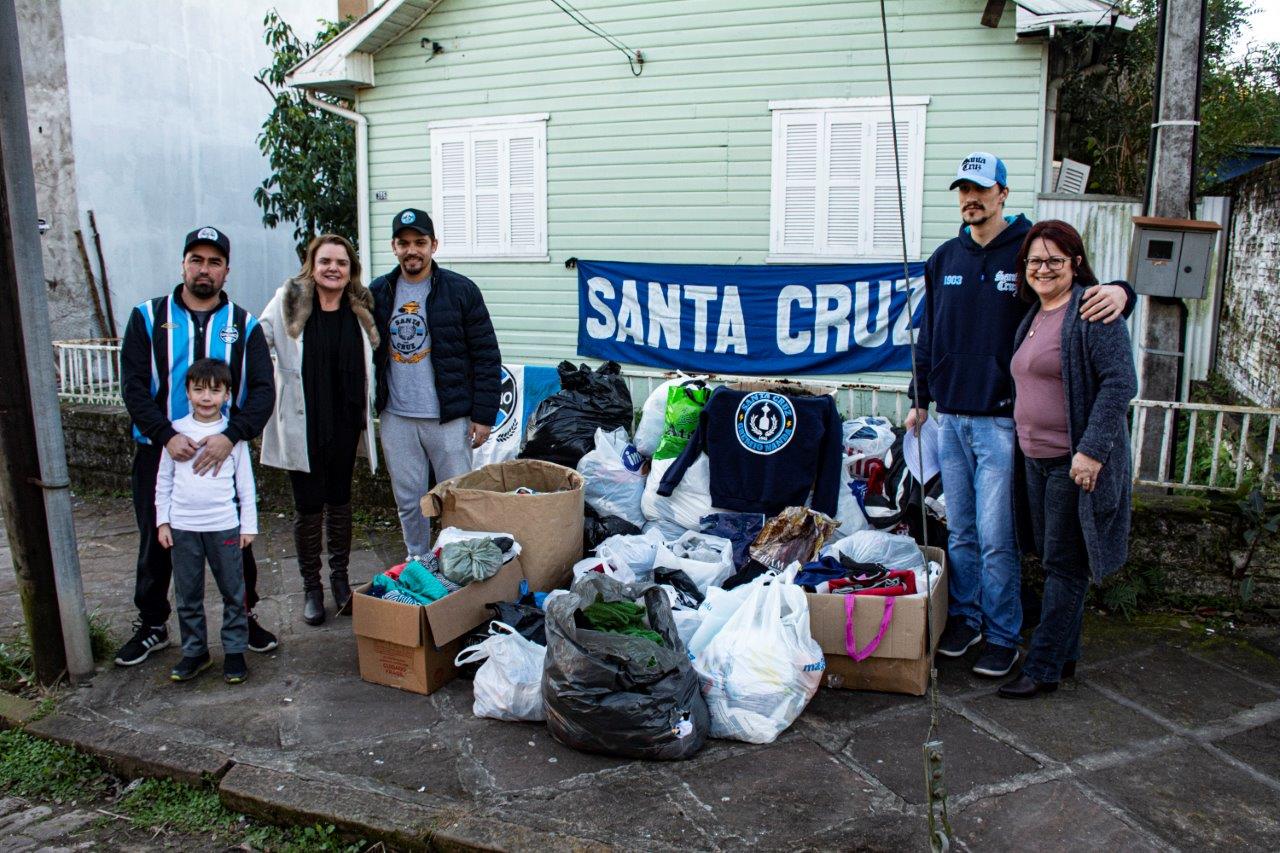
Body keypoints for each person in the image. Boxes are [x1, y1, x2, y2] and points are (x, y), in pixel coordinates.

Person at [906, 153, 1134, 678]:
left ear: (1003, 193)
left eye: (981, 189)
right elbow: (928, 333)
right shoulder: (943, 258)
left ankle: (1004, 632)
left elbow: (1078, 293)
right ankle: (966, 619)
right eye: (963, 189)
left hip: (1004, 424)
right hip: (952, 419)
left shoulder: (1030, 250)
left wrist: (1125, 291)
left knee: (996, 536)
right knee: (959, 531)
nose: (971, 199)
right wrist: (921, 396)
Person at [117, 227, 278, 667]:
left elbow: (263, 390)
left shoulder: (243, 325)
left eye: (214, 261)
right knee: (158, 538)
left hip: (223, 451)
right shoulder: (148, 317)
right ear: (183, 264)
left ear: (227, 270)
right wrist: (166, 436)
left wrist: (232, 435)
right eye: (196, 259)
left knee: (234, 541)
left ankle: (244, 618)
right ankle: (152, 624)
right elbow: (132, 385)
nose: (204, 269)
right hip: (161, 451)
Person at [999, 220, 1137, 698]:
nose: (1043, 269)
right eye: (1034, 261)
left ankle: (1042, 668)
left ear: (1075, 263)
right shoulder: (1034, 313)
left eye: (1054, 260)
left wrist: (1092, 452)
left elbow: (1121, 383)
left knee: (1064, 565)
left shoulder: (1092, 311)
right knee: (1058, 558)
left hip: (1072, 462)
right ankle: (1066, 654)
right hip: (1035, 459)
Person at [259, 235, 380, 626]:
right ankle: (312, 587)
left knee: (341, 501)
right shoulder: (289, 300)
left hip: (345, 421)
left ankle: (340, 581)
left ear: (351, 269)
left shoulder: (359, 306)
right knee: (309, 506)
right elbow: (257, 340)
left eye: (341, 263)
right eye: (325, 261)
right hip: (304, 421)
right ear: (312, 264)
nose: (333, 269)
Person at [371, 209, 502, 559]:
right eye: (404, 243)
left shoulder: (461, 290)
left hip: (449, 417)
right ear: (393, 247)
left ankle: (457, 560)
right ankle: (417, 557)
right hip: (396, 416)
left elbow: (487, 355)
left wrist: (483, 415)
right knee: (408, 499)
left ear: (434, 245)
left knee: (456, 498)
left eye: (420, 242)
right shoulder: (378, 292)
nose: (412, 250)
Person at [155, 359, 257, 684]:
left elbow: (245, 485)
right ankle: (195, 652)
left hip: (224, 526)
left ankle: (235, 651)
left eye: (215, 390)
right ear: (187, 392)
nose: (206, 397)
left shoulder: (232, 438)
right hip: (183, 528)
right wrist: (163, 522)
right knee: (187, 595)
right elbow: (163, 481)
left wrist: (248, 526)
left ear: (227, 395)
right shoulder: (176, 433)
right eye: (199, 390)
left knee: (233, 591)